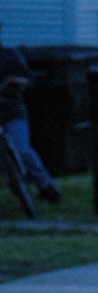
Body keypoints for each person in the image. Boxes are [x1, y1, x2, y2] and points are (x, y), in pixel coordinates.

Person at [0, 43, 61, 204]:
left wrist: (15, 81)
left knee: (22, 150)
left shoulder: (10, 55)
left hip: (11, 111)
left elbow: (29, 80)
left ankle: (46, 185)